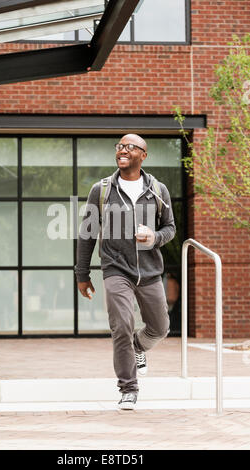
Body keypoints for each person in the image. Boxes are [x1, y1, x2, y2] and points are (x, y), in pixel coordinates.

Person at [75, 134, 176, 410]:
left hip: (150, 270)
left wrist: (154, 237)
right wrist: (82, 273)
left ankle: (138, 347)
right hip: (115, 268)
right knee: (121, 325)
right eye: (120, 146)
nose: (123, 150)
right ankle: (128, 388)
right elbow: (87, 234)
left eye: (130, 147)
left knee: (160, 327)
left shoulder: (158, 190)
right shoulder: (102, 190)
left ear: (143, 155)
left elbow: (170, 228)